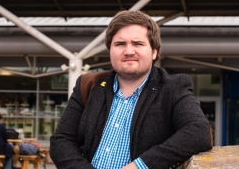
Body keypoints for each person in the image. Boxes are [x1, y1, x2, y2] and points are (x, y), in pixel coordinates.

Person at [50, 10, 212, 169]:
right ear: (110, 50)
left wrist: (140, 166)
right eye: (120, 44)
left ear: (154, 51)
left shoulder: (173, 87)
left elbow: (198, 132)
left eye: (138, 43)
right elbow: (61, 140)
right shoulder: (88, 85)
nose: (128, 51)